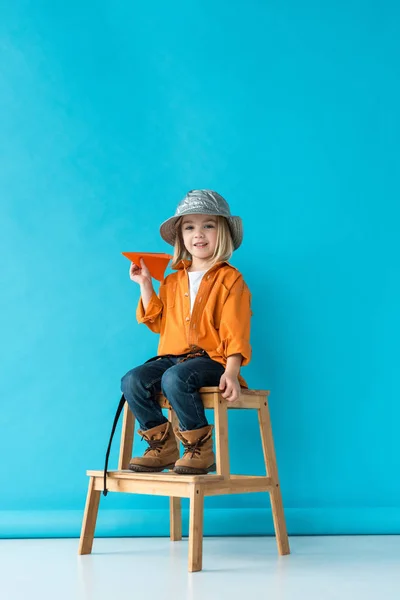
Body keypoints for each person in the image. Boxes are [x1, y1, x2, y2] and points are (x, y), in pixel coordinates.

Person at [120, 189, 252, 475]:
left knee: (175, 378)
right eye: (190, 227)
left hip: (212, 361)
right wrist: (145, 284)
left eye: (208, 225)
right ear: (181, 237)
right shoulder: (172, 280)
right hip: (173, 358)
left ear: (223, 233)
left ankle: (198, 446)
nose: (199, 234)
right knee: (132, 380)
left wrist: (231, 371)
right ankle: (161, 444)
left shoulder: (230, 279)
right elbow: (158, 323)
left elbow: (236, 327)